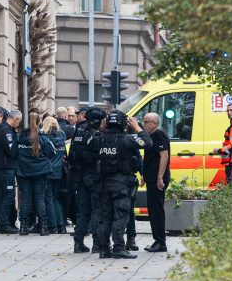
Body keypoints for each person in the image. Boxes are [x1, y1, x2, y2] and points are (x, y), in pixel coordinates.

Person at [94, 110, 152, 259]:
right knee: (120, 216)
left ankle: (104, 249)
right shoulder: (126, 140)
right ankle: (119, 248)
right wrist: (138, 127)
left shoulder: (99, 139)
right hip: (121, 184)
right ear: (122, 123)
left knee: (105, 216)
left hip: (103, 183)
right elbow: (148, 143)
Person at [68, 107, 107, 253]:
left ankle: (78, 243)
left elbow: (71, 154)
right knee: (97, 209)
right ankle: (97, 243)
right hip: (94, 176)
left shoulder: (78, 131)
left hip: (79, 175)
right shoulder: (96, 134)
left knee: (83, 210)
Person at [15, 112, 55, 236]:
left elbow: (14, 152)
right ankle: (43, 227)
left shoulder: (21, 137)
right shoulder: (43, 137)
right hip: (40, 172)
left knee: (26, 199)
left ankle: (23, 227)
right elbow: (51, 152)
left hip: (24, 172)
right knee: (39, 198)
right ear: (39, 123)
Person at [141, 112, 170, 252]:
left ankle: (160, 242)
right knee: (153, 210)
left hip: (157, 179)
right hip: (151, 178)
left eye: (146, 122)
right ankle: (157, 240)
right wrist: (144, 175)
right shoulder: (150, 136)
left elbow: (164, 155)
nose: (144, 124)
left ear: (155, 123)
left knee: (156, 210)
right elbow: (149, 158)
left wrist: (160, 177)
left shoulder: (159, 134)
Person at [0, 110, 22, 232]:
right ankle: (4, 224)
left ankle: (9, 222)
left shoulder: (5, 129)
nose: (19, 124)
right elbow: (11, 151)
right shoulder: (6, 131)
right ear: (16, 119)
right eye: (19, 121)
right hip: (6, 167)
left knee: (7, 195)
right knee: (9, 195)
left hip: (5, 167)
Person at [42, 116, 67, 234]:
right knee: (56, 198)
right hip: (59, 172)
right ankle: (61, 225)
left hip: (48, 171)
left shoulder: (47, 139)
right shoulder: (62, 137)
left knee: (48, 198)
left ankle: (53, 226)